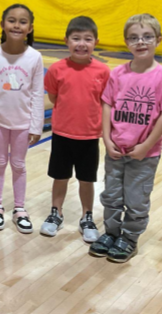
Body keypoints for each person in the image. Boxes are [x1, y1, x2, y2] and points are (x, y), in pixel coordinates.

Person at [89, 13, 162, 263]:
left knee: (136, 199)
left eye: (147, 37)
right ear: (126, 42)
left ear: (158, 39)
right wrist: (106, 139)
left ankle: (129, 238)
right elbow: (107, 105)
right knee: (111, 196)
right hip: (115, 150)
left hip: (143, 154)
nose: (141, 42)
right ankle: (111, 234)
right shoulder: (118, 74)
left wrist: (146, 145)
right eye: (134, 38)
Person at [41, 16, 111, 240]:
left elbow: (105, 102)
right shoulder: (57, 69)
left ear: (96, 42)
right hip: (62, 134)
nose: (81, 44)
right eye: (76, 38)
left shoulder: (103, 71)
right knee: (60, 176)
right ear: (66, 41)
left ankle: (87, 216)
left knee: (87, 179)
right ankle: (56, 213)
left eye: (87, 39)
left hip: (89, 136)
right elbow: (53, 97)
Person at [0, 4, 46, 232]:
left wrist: (36, 125)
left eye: (22, 21)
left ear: (30, 27)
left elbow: (38, 94)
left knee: (18, 165)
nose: (17, 25)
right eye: (12, 20)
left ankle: (19, 208)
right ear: (2, 25)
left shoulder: (35, 58)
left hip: (23, 124)